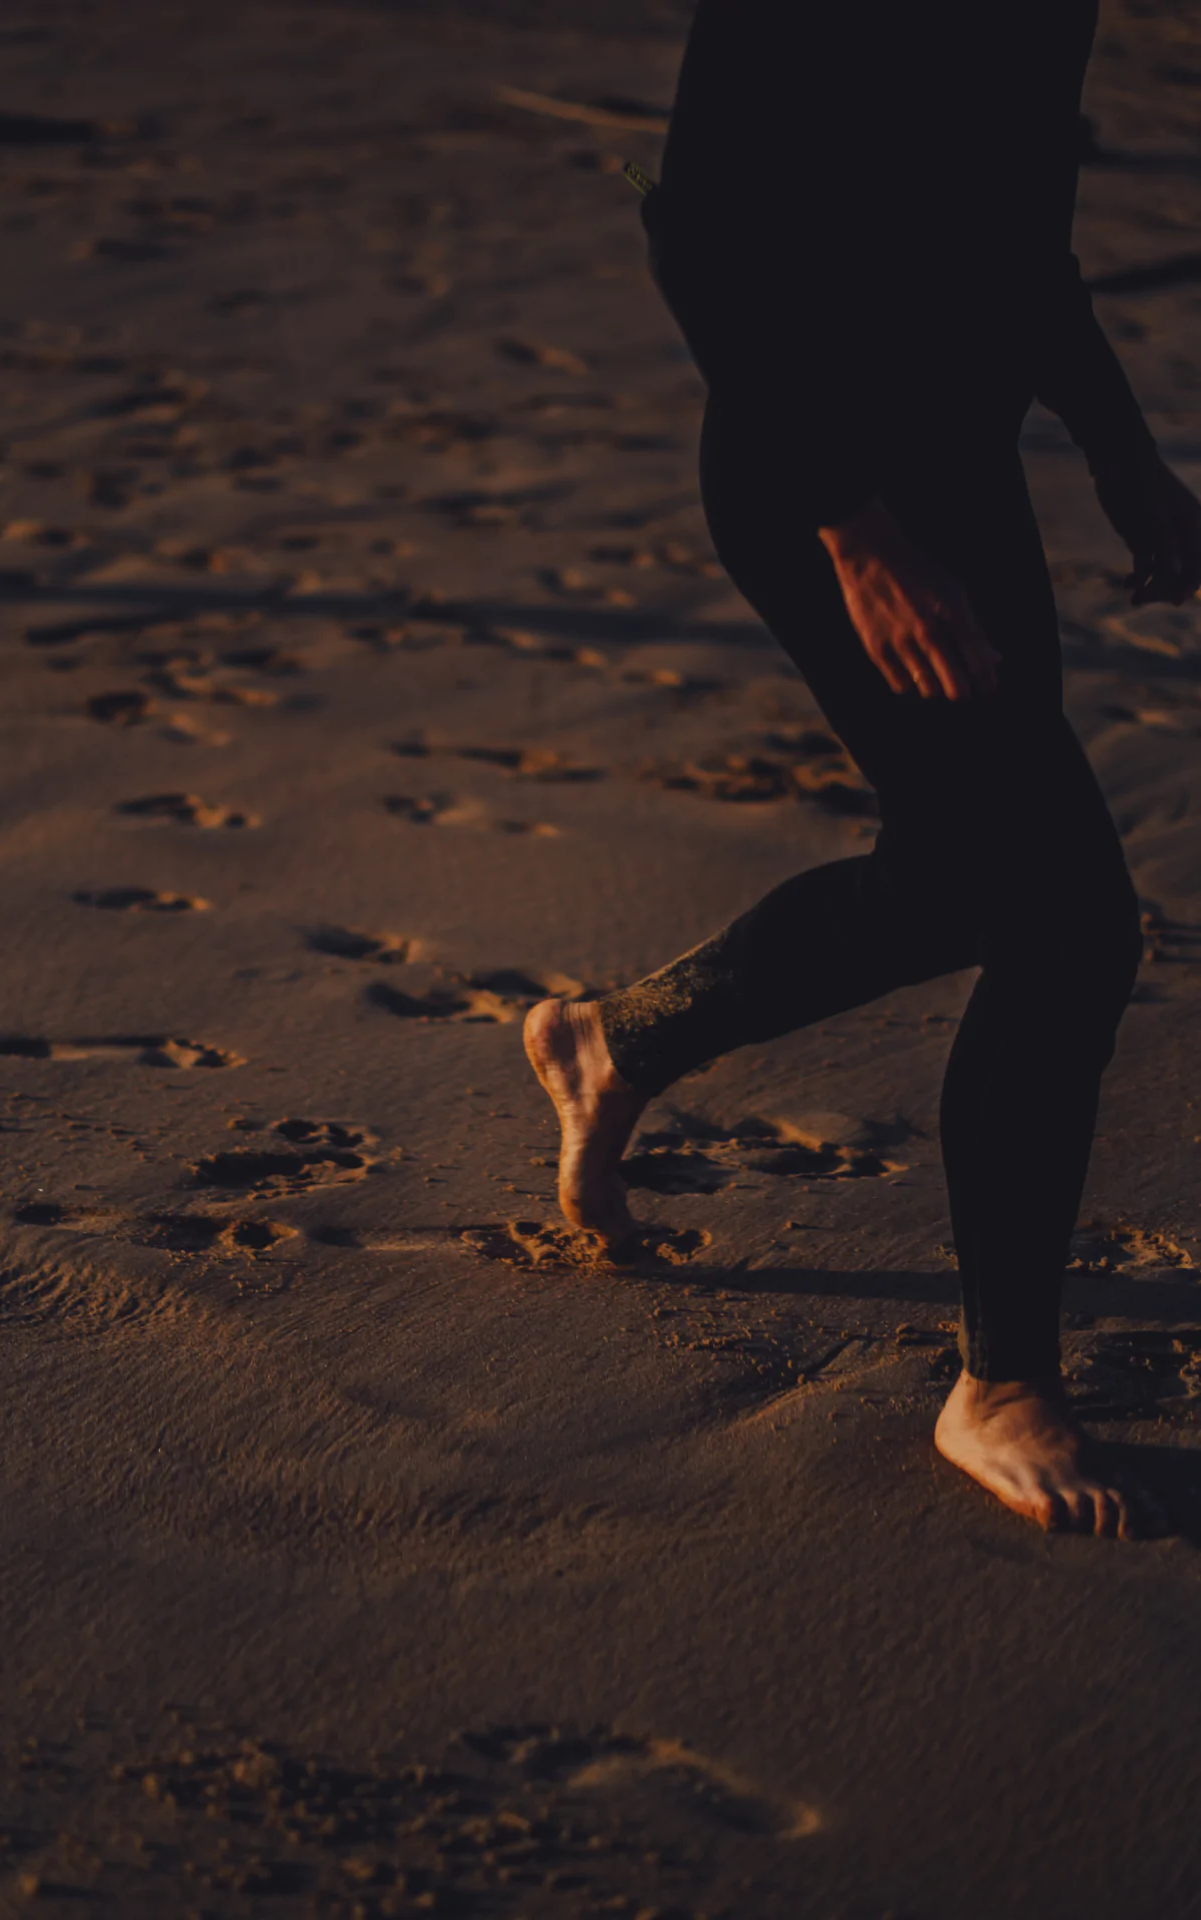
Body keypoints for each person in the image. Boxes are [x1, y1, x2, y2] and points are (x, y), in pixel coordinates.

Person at [524, 0, 1201, 1537]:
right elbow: (698, 239)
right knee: (1069, 924)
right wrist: (856, 530)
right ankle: (1000, 1385)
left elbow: (1022, 237)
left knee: (959, 877)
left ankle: (613, 1041)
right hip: (810, 477)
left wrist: (1118, 449)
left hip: (956, 472)